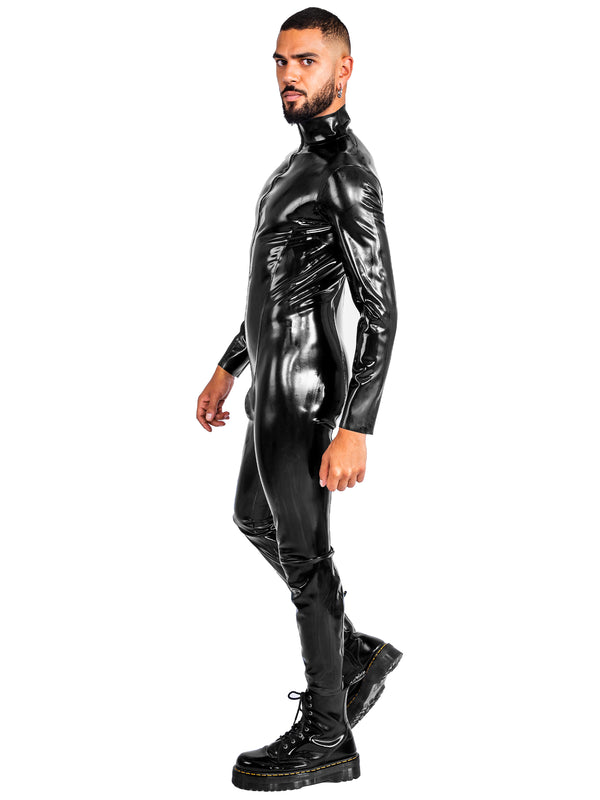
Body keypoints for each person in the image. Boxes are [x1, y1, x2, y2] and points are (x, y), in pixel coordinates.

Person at [196, 7, 402, 791]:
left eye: (306, 61)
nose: (288, 75)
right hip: (271, 386)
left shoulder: (346, 172)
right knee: (255, 518)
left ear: (343, 70)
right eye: (281, 61)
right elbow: (272, 290)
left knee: (305, 557)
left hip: (309, 388)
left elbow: (381, 310)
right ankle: (353, 654)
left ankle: (326, 733)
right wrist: (228, 367)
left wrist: (357, 425)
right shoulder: (294, 166)